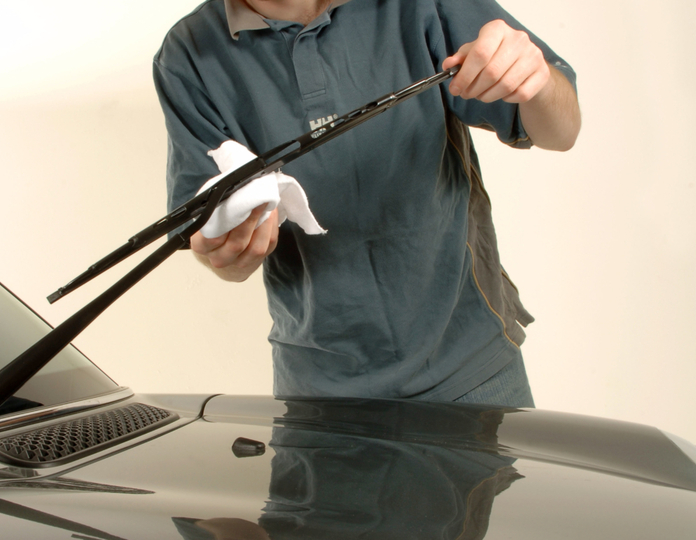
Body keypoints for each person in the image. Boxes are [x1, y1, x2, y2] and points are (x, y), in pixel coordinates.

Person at [154, 0, 580, 407]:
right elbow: (209, 240)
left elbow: (562, 131)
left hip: (474, 369)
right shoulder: (187, 54)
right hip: (320, 397)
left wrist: (534, 79)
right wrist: (229, 254)